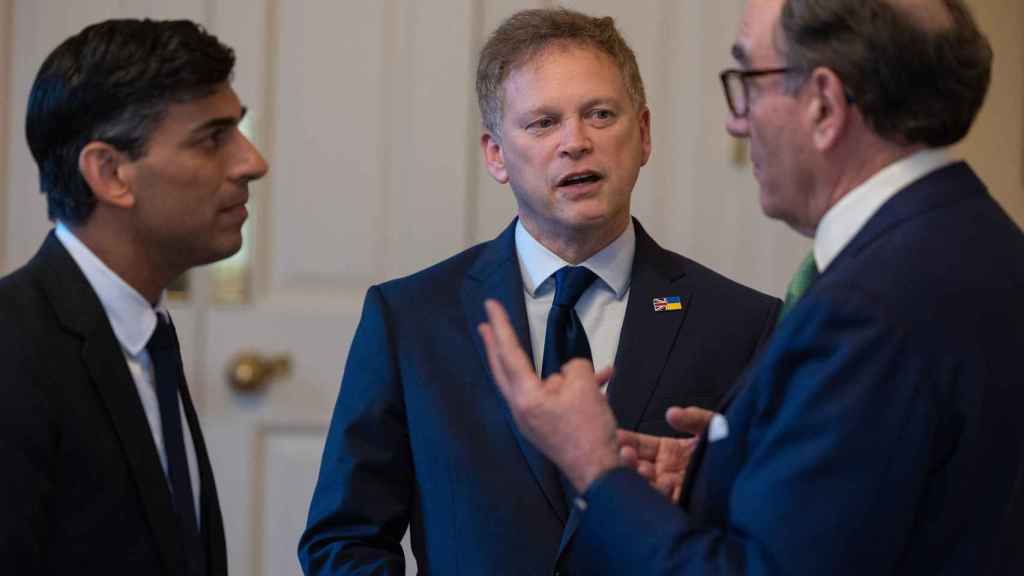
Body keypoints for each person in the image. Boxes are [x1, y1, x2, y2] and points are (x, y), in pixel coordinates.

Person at [480, 0, 1024, 574]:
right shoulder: (982, 242)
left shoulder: (869, 306)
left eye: (749, 82)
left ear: (823, 105)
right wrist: (724, 472)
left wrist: (598, 469)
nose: (735, 123)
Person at [299, 8, 780, 575]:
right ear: (496, 155)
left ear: (644, 134)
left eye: (600, 114)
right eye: (543, 123)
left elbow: (770, 535)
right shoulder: (409, 318)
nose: (576, 142)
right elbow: (343, 542)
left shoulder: (743, 323)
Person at [0, 19, 268, 575]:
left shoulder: (146, 335)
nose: (251, 162)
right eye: (213, 139)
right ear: (110, 172)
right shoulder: (13, 349)